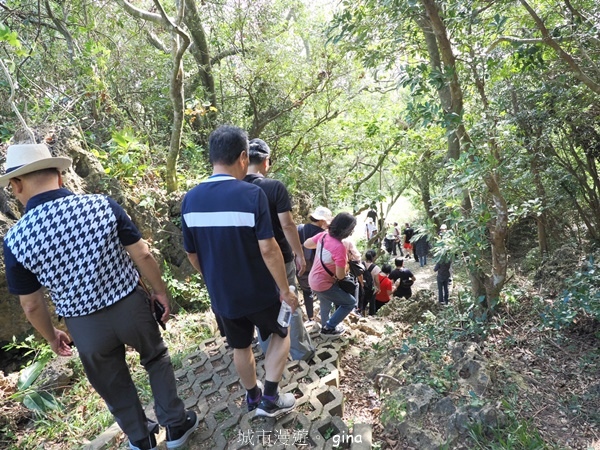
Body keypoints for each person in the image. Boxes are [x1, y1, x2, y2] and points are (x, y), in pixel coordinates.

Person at [1, 143, 197, 450]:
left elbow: (31, 303)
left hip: (84, 326)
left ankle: (140, 439)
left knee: (112, 382)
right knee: (156, 358)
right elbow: (142, 254)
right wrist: (160, 291)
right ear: (59, 177)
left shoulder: (15, 240)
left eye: (13, 188)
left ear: (18, 184)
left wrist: (51, 335)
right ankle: (175, 424)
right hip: (130, 305)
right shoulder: (101, 205)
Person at [181, 125, 297, 418]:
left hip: (223, 295)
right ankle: (270, 399)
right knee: (280, 333)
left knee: (240, 345)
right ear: (243, 157)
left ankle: (252, 397)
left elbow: (191, 253)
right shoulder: (251, 194)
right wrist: (285, 291)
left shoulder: (190, 199)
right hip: (258, 289)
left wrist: (212, 279)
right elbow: (269, 249)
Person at [244, 138, 313, 361]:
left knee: (262, 305)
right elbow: (287, 224)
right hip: (281, 257)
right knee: (289, 300)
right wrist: (300, 253)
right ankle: (300, 351)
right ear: (266, 161)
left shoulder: (237, 189)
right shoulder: (274, 187)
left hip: (252, 261)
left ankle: (271, 354)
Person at [304, 212, 357, 337]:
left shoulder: (323, 236)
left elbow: (307, 244)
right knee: (350, 303)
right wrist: (345, 263)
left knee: (325, 302)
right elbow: (340, 276)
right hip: (323, 283)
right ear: (347, 230)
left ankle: (324, 325)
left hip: (313, 279)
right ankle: (329, 327)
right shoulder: (340, 248)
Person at [297, 206, 333, 324]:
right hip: (318, 266)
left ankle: (310, 317)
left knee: (307, 292)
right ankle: (326, 319)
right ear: (322, 221)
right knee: (324, 292)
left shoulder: (300, 228)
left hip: (301, 264)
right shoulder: (324, 235)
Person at [362, 249, 381, 315]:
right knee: (372, 303)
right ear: (373, 257)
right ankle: (371, 315)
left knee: (362, 303)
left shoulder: (361, 264)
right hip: (371, 288)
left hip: (361, 286)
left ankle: (361, 315)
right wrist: (378, 288)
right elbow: (376, 280)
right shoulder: (376, 268)